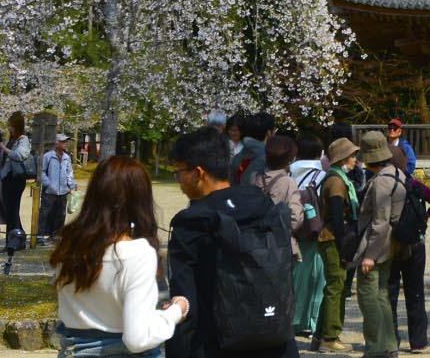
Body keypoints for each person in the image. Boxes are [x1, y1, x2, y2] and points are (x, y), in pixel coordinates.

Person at [164, 126, 298, 358]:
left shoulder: (192, 223)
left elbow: (186, 302)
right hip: (276, 339)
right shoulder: (261, 203)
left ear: (198, 173)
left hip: (217, 344)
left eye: (179, 172)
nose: (178, 179)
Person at [53, 155, 188, 357]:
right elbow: (138, 339)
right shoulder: (137, 253)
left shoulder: (68, 246)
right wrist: (176, 311)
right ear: (140, 200)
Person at [352, 130, 406, 358]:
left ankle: (375, 347)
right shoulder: (397, 174)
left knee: (367, 295)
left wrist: (369, 255)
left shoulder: (381, 182)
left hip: (378, 245)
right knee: (382, 293)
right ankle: (389, 344)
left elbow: (380, 222)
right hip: (392, 244)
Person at [387, 144, 430, 352]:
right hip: (415, 242)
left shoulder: (384, 184)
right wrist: (429, 215)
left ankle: (391, 338)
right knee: (415, 291)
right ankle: (418, 341)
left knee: (390, 291)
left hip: (390, 242)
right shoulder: (414, 184)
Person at [310, 137, 360, 354]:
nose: (355, 159)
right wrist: (345, 247)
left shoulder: (334, 178)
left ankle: (320, 334)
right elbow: (338, 219)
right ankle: (330, 337)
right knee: (336, 287)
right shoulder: (338, 182)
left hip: (328, 237)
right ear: (343, 158)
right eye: (352, 155)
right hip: (332, 238)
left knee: (332, 286)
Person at [289, 134, 328, 344]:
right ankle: (309, 322)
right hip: (314, 232)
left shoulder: (288, 175)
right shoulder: (321, 176)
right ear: (319, 154)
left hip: (292, 233)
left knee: (293, 275)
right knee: (315, 277)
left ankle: (291, 317)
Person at [249, 134, 305, 262]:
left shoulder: (254, 178)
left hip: (256, 241)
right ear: (290, 160)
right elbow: (296, 219)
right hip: (281, 245)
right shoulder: (288, 182)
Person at [37, 133, 78, 246]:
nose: (66, 144)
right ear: (56, 143)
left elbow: (69, 173)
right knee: (44, 214)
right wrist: (48, 184)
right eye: (63, 141)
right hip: (49, 191)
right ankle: (39, 236)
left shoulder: (67, 158)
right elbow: (41, 171)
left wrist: (72, 186)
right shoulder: (48, 156)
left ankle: (56, 235)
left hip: (63, 191)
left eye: (66, 142)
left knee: (61, 215)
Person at [0, 112, 34, 240]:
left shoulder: (23, 140)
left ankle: (12, 240)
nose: (9, 128)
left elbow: (19, 155)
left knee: (12, 210)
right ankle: (18, 236)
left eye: (11, 126)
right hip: (7, 177)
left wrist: (3, 148)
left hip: (16, 178)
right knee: (10, 210)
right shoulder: (12, 140)